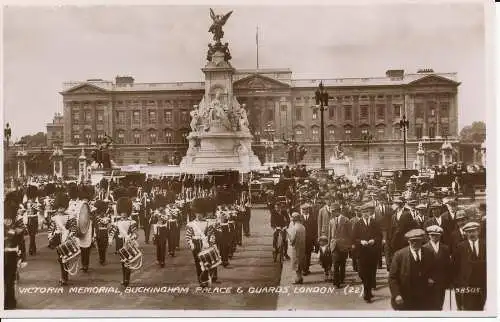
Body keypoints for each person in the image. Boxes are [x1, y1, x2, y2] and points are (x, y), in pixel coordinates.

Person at [389, 228, 435, 310]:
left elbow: (433, 270)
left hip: (424, 297)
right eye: (412, 241)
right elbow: (392, 278)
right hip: (406, 297)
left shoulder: (429, 253)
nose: (414, 243)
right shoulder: (399, 255)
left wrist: (431, 278)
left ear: (422, 241)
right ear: (408, 241)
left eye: (417, 241)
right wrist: (397, 294)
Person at [452, 221, 486, 311]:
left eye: (474, 231)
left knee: (480, 307)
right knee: (468, 308)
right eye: (469, 232)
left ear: (478, 231)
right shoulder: (460, 247)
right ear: (465, 233)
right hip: (466, 285)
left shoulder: (485, 245)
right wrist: (457, 284)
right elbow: (455, 267)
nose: (472, 234)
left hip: (482, 284)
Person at [352, 202, 382, 303]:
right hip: (362, 252)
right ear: (361, 213)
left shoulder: (375, 223)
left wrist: (374, 240)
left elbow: (379, 236)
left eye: (367, 212)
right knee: (362, 273)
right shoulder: (357, 224)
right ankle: (367, 289)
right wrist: (361, 241)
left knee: (371, 273)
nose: (365, 213)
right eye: (363, 212)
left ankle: (367, 293)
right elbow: (353, 238)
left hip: (373, 253)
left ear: (369, 212)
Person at [185, 198, 218, 287]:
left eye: (200, 213)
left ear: (203, 213)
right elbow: (188, 236)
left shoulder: (207, 223)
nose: (198, 215)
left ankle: (206, 279)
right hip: (196, 244)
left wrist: (211, 242)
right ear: (195, 213)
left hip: (205, 244)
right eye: (197, 213)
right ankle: (202, 281)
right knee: (198, 264)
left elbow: (212, 235)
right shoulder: (191, 224)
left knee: (206, 263)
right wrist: (191, 244)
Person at [48, 193, 77, 286]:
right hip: (57, 238)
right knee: (61, 258)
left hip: (66, 238)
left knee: (65, 258)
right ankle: (64, 276)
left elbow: (73, 228)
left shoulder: (70, 216)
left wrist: (71, 234)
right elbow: (51, 228)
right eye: (59, 207)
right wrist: (50, 236)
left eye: (63, 207)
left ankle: (64, 276)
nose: (61, 209)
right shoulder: (54, 217)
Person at [108, 197, 139, 287]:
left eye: (124, 213)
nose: (123, 214)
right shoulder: (116, 223)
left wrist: (131, 238)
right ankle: (124, 278)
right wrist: (110, 240)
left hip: (128, 244)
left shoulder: (132, 222)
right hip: (120, 243)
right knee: (123, 262)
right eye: (121, 213)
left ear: (127, 213)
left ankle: (126, 279)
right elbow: (112, 233)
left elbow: (136, 234)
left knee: (128, 261)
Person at [424, 225, 451, 310]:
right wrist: (427, 278)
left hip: (441, 282)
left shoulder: (445, 248)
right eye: (432, 235)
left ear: (440, 235)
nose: (434, 237)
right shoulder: (424, 248)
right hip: (429, 282)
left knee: (440, 304)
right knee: (429, 305)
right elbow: (421, 267)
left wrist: (449, 281)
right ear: (429, 235)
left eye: (437, 235)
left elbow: (448, 266)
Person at [387, 197, 417, 270]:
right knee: (396, 257)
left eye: (398, 203)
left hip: (404, 240)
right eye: (396, 203)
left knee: (405, 257)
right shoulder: (393, 215)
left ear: (401, 204)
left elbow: (411, 227)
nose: (396, 205)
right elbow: (391, 228)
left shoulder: (407, 214)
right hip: (395, 240)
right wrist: (390, 240)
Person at [328, 204, 352, 288]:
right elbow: (329, 235)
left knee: (342, 264)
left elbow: (350, 234)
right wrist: (328, 245)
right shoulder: (331, 221)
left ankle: (342, 278)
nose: (332, 213)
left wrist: (349, 246)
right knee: (335, 264)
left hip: (343, 245)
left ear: (338, 211)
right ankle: (336, 282)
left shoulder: (346, 220)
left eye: (333, 211)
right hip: (334, 245)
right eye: (332, 211)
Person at [288, 212, 306, 284]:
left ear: (294, 219)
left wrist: (288, 235)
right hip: (302, 247)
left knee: (296, 263)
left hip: (296, 248)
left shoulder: (294, 228)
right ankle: (300, 277)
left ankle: (298, 278)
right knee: (300, 262)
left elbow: (292, 240)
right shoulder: (302, 227)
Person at [301, 202, 318, 276]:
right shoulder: (300, 218)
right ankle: (304, 269)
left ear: (308, 210)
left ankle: (307, 268)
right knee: (303, 255)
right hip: (302, 239)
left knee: (308, 255)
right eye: (304, 209)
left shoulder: (313, 218)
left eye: (306, 209)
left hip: (310, 239)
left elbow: (315, 229)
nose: (305, 211)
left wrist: (315, 239)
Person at [94, 200, 111, 265]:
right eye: (101, 212)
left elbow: (109, 226)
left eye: (103, 212)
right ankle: (101, 258)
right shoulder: (96, 218)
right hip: (98, 233)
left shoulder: (107, 217)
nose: (102, 213)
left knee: (104, 247)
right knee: (99, 247)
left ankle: (103, 259)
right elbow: (95, 227)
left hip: (105, 233)